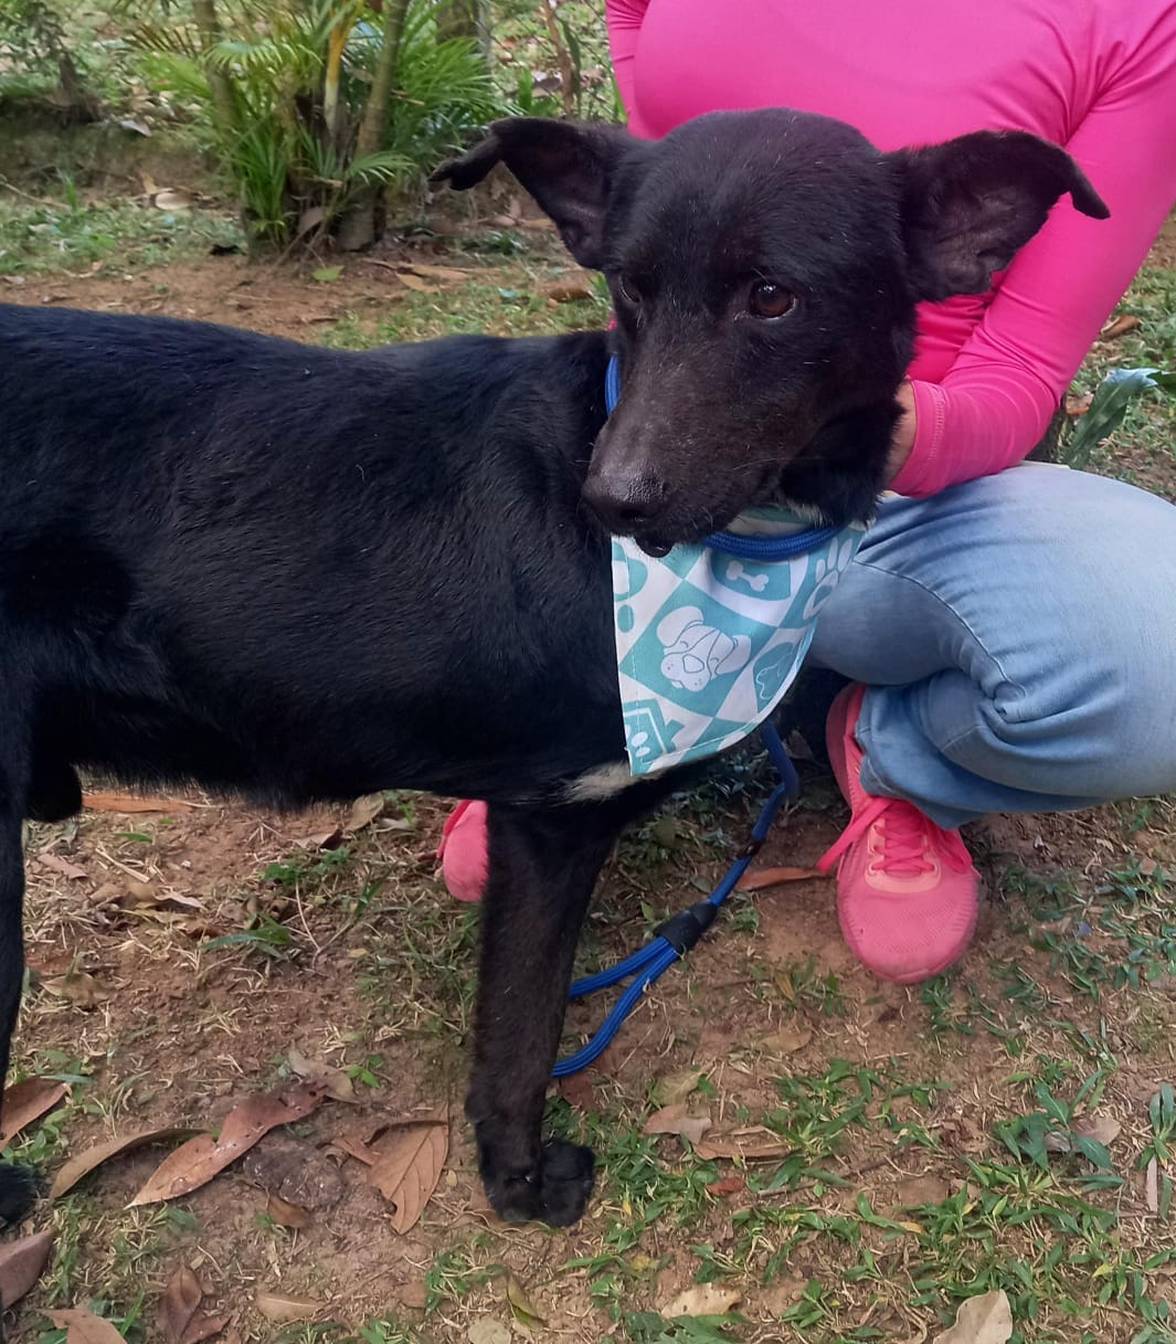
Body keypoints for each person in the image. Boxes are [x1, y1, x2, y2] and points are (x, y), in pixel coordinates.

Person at [438, 0, 1176, 984]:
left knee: (1159, 654)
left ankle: (891, 755)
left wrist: (852, 438)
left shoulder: (1134, 24)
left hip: (882, 496)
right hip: (652, 396)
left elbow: (1021, 372)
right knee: (601, 484)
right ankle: (584, 725)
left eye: (772, 299)